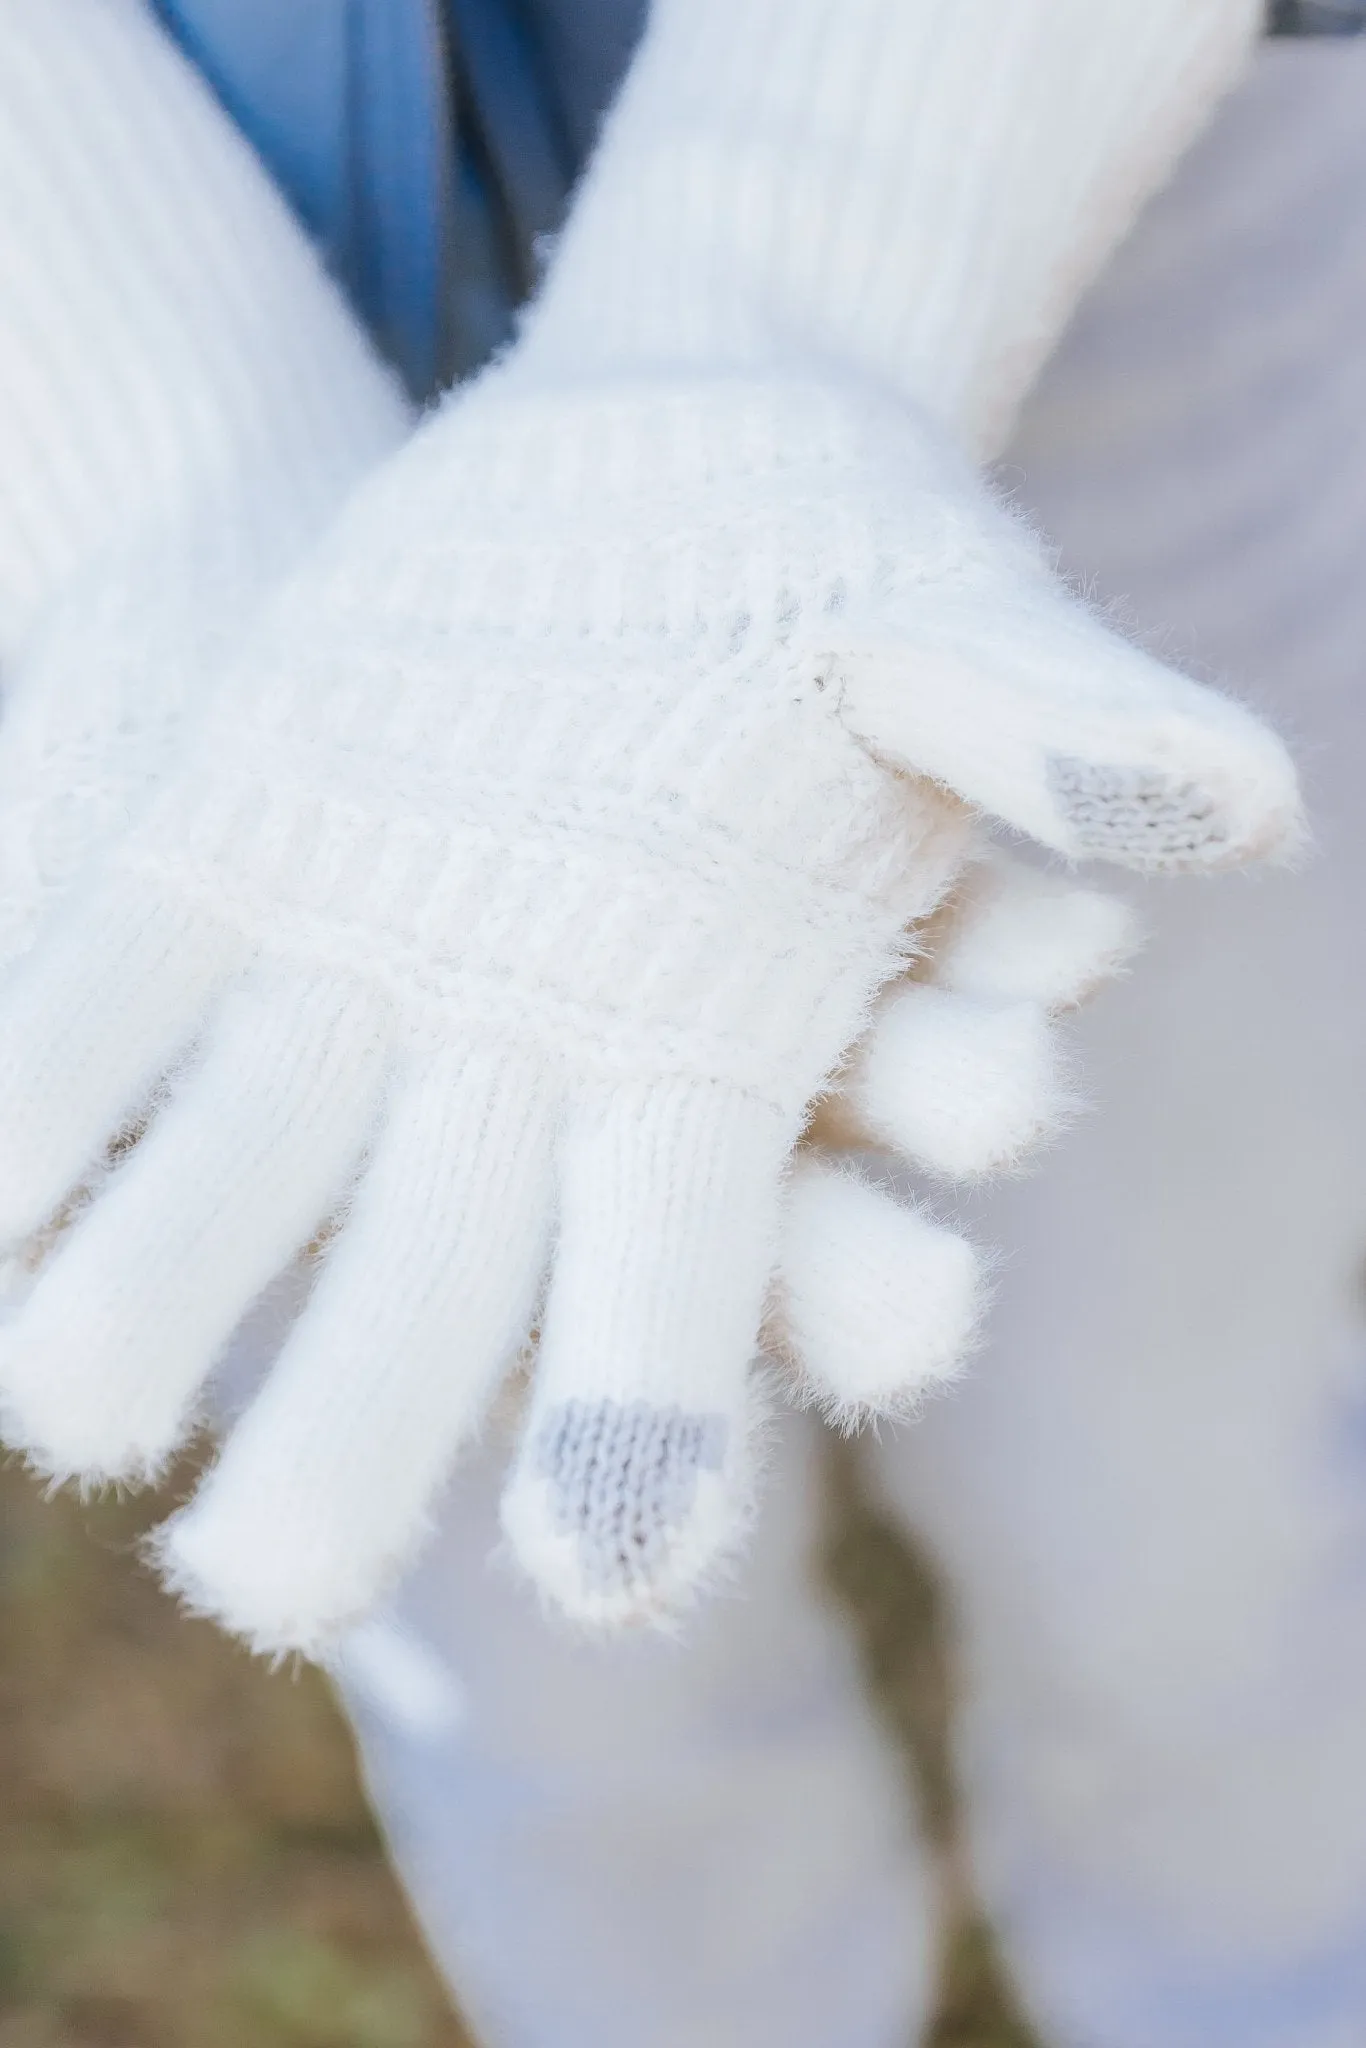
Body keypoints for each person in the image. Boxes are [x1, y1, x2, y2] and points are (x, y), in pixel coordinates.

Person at [0, 3, 1358, 2044]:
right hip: (141, 212)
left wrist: (803, 250)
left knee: (1161, 1441)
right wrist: (114, 419)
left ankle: (1250, 1968)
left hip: (1102, 151)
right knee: (501, 1510)